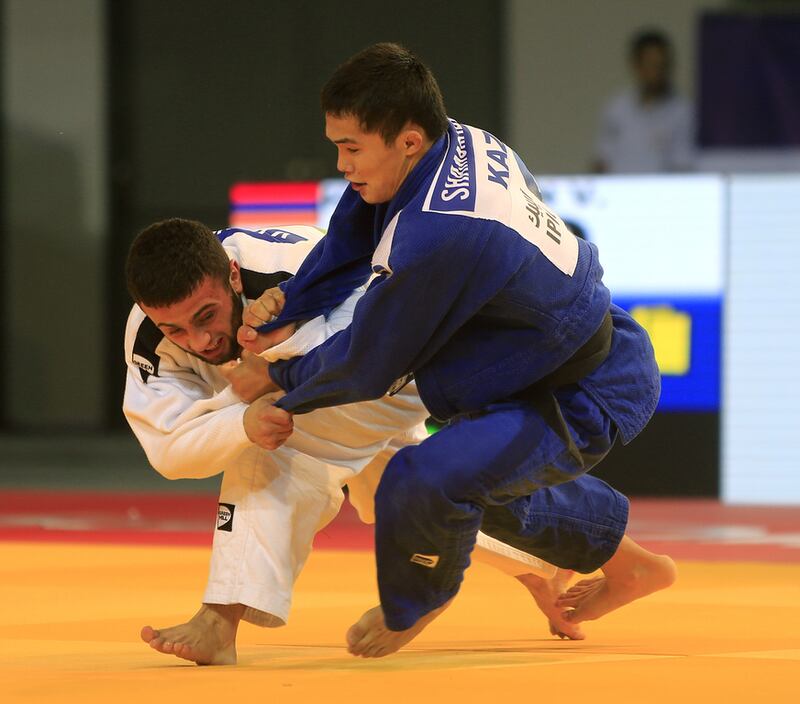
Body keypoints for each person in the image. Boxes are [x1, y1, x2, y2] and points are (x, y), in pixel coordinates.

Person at [225, 43, 676, 659]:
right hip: (530, 356)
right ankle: (634, 569)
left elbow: (368, 365)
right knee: (479, 485)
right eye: (337, 145)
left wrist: (282, 383)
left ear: (407, 139)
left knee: (424, 480)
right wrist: (291, 301)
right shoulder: (452, 141)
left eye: (352, 147)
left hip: (583, 387)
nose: (342, 163)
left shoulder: (443, 230)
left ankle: (416, 601)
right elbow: (353, 230)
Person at [123, 218, 634, 665]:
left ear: (232, 276)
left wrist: (288, 369)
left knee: (280, 444)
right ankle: (564, 565)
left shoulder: (295, 262)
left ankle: (219, 618)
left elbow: (386, 334)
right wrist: (242, 420)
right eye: (177, 329)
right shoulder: (148, 335)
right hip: (323, 394)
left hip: (397, 371)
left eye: (206, 316)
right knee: (403, 486)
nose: (198, 341)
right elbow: (168, 446)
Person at [592, 29, 694, 173]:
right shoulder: (617, 108)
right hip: (619, 190)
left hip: (662, 192)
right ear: (637, 66)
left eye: (661, 65)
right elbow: (602, 159)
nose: (657, 73)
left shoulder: (682, 111)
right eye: (651, 65)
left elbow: (683, 164)